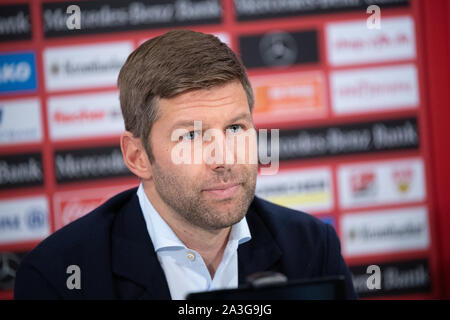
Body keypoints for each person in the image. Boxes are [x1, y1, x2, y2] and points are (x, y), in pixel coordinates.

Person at [14, 30, 356, 300]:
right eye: (192, 137)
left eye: (235, 129)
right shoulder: (58, 275)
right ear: (138, 156)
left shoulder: (312, 246)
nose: (223, 159)